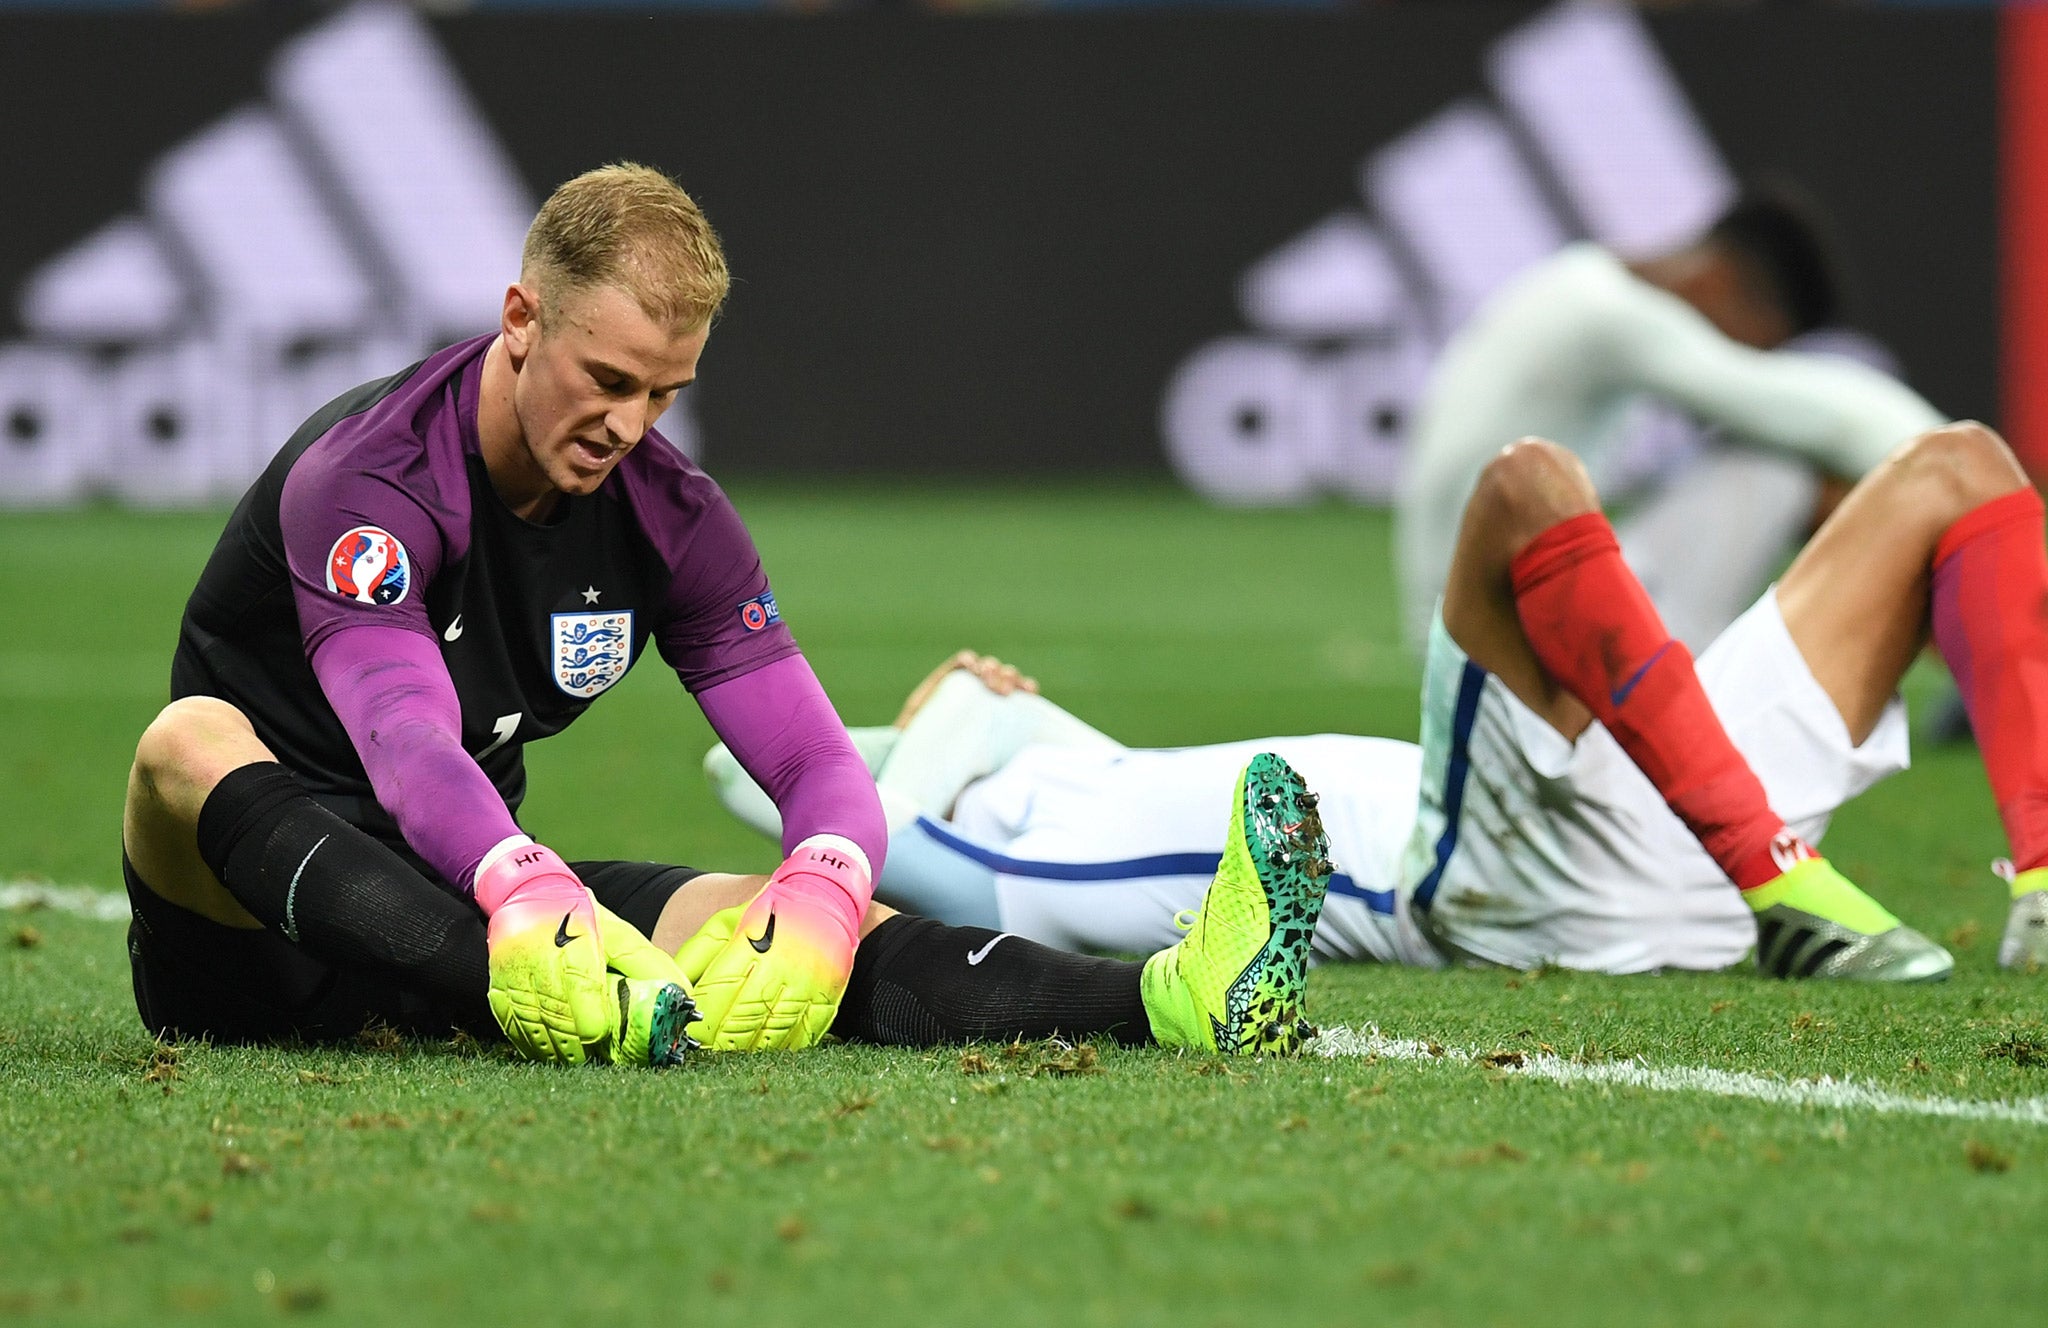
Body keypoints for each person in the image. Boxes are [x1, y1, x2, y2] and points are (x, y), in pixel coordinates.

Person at [120, 163, 1329, 1064]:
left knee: (756, 921)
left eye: (664, 392)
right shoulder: (370, 479)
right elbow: (402, 740)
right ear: (521, 318)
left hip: (470, 899)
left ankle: (1174, 1001)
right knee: (185, 741)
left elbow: (807, 751)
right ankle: (553, 988)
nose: (629, 425)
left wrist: (825, 879)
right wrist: (525, 890)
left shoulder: (669, 513)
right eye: (606, 380)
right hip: (249, 932)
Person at [717, 422, 2048, 979]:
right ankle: (1782, 880)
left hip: (1663, 793)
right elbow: (832, 826)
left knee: (1958, 469)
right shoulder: (988, 853)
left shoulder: (1067, 766)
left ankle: (2038, 883)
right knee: (1525, 487)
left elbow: (940, 742)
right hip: (1501, 876)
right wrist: (938, 708)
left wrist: (963, 707)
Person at [1395, 186, 1946, 657]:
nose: (1739, 352)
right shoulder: (1609, 314)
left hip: (1467, 622)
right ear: (1721, 282)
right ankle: (1971, 633)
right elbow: (1796, 411)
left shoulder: (1576, 286)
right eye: (1758, 343)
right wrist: (1954, 460)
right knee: (1775, 464)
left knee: (1766, 456)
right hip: (1508, 637)